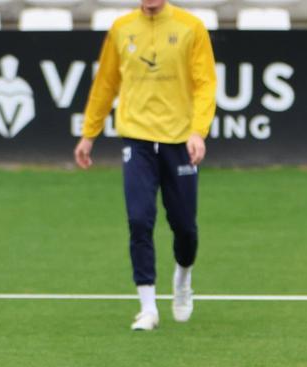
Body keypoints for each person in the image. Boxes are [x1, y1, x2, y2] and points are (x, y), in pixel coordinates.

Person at [74, 0, 217, 331]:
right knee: (139, 219)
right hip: (136, 140)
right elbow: (106, 83)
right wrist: (88, 134)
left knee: (184, 226)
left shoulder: (190, 27)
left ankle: (183, 278)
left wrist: (198, 131)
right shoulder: (121, 28)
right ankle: (147, 307)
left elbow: (205, 83)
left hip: (179, 140)